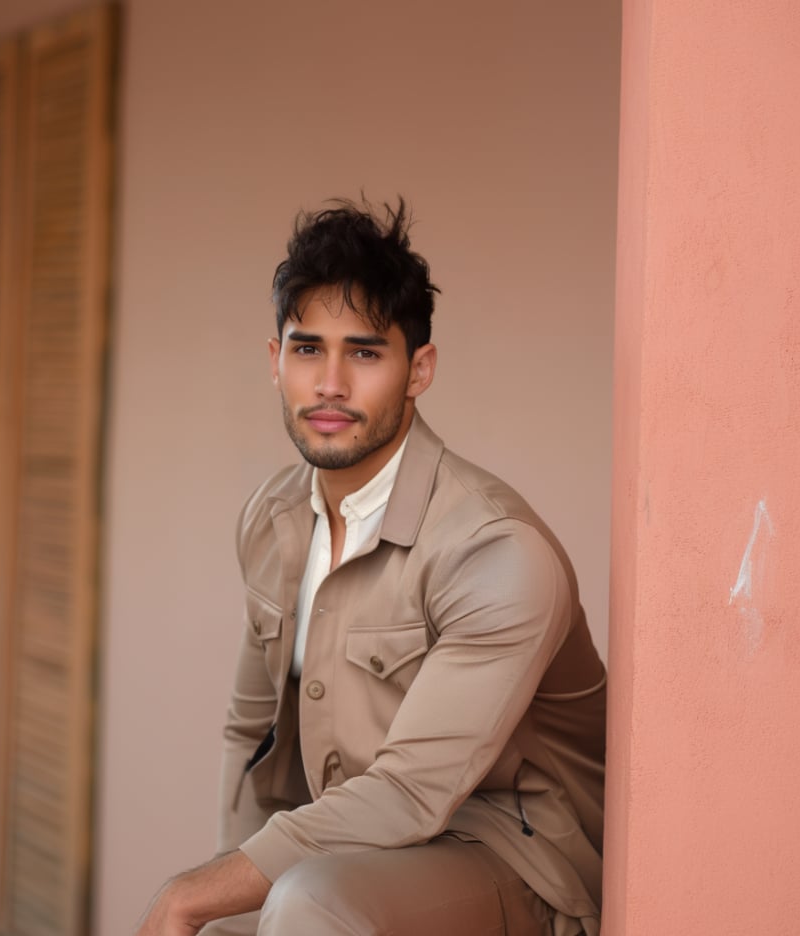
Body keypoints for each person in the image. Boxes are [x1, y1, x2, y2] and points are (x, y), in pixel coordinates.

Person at [137, 198, 606, 936]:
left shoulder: (495, 550)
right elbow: (249, 731)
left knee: (306, 905)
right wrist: (225, 896)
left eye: (363, 352)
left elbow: (408, 795)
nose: (329, 384)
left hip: (515, 864)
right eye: (306, 349)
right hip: (352, 859)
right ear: (274, 360)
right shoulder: (272, 520)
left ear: (418, 370)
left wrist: (193, 895)